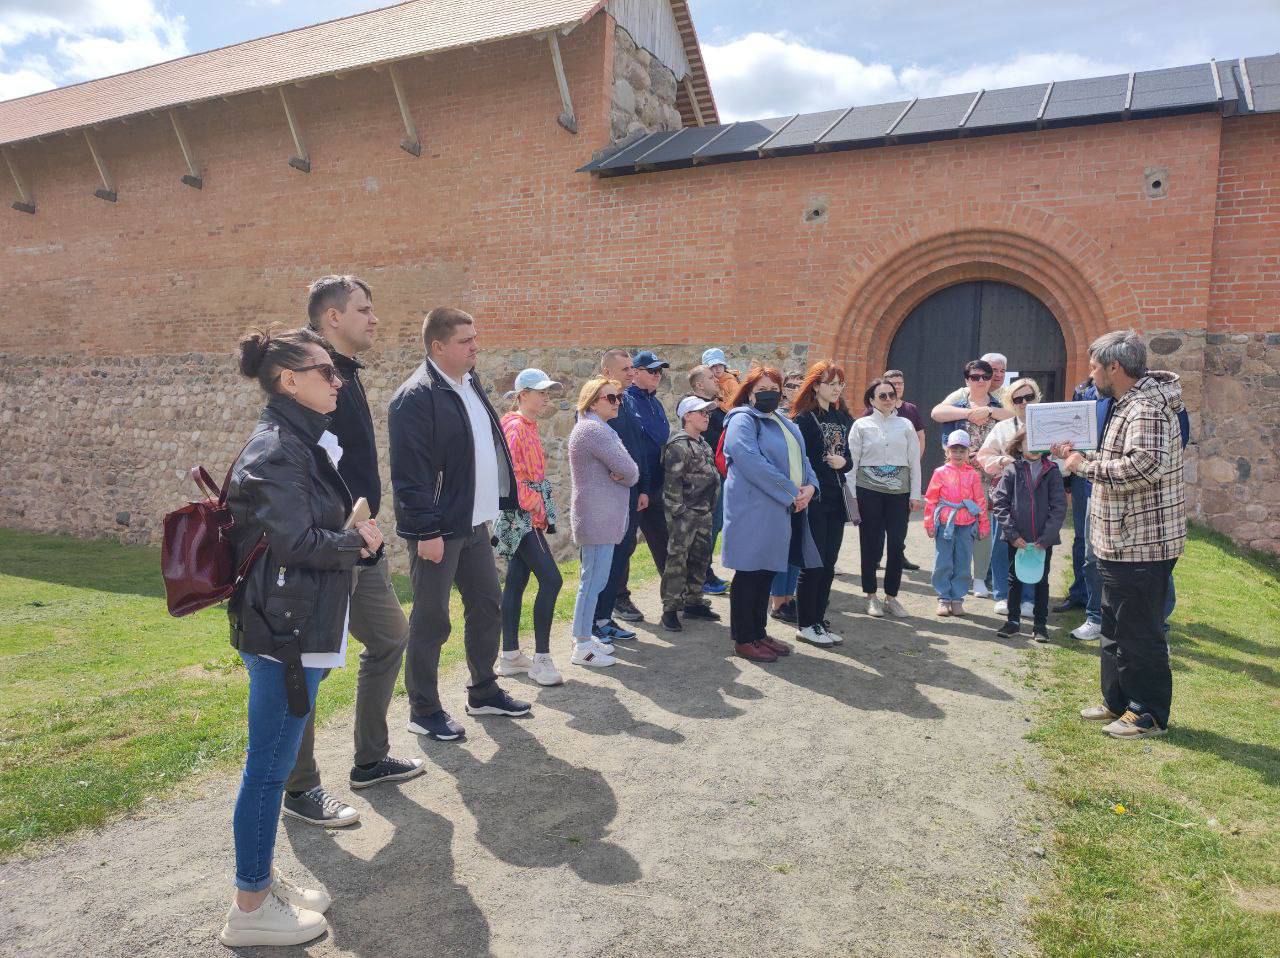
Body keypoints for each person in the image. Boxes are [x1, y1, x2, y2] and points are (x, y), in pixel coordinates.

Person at [221, 325, 385, 947]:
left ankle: (258, 880)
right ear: (290, 380)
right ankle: (249, 907)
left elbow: (304, 534)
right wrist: (357, 541)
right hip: (283, 630)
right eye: (326, 372)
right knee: (267, 770)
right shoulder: (279, 448)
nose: (339, 380)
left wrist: (351, 543)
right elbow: (295, 544)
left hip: (298, 619)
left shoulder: (299, 440)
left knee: (276, 761)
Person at [276, 277, 424, 832]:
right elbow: (305, 465)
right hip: (328, 547)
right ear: (332, 318)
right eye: (365, 309)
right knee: (309, 666)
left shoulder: (347, 375)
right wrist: (340, 532)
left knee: (390, 636)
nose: (375, 318)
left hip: (364, 541)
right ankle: (301, 786)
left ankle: (369, 759)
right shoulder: (308, 382)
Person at [389, 307, 531, 744]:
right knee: (431, 621)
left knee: (486, 605)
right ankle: (424, 709)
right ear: (438, 346)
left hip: (474, 523)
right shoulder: (415, 397)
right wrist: (425, 533)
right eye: (466, 340)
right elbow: (410, 476)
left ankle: (483, 691)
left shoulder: (470, 382)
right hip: (439, 530)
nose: (475, 345)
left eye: (475, 338)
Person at [1057, 330, 1186, 740]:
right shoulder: (1125, 403)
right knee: (1114, 626)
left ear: (1115, 367)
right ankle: (1118, 701)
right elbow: (1120, 458)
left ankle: (1147, 713)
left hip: (1142, 542)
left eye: (1095, 364)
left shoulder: (1145, 407)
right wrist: (1081, 455)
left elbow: (1144, 467)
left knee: (1139, 631)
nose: (1090, 372)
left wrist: (1082, 467)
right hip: (1120, 539)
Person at [721, 366, 819, 662]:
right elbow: (749, 459)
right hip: (753, 508)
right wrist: (791, 491)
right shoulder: (742, 420)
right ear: (749, 392)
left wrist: (810, 487)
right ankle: (743, 638)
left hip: (779, 508)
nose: (770, 394)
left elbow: (803, 459)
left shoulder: (784, 421)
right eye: (763, 389)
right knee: (749, 573)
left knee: (766, 572)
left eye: (775, 389)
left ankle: (759, 632)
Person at [494, 368, 565, 687]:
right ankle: (541, 660)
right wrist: (532, 502)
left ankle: (509, 656)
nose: (546, 395)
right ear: (522, 395)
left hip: (526, 514)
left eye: (547, 390)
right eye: (540, 391)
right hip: (519, 515)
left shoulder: (526, 425)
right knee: (551, 579)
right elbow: (508, 472)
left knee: (517, 580)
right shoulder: (514, 427)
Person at [567, 377, 640, 667]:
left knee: (594, 580)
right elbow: (630, 470)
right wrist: (627, 475)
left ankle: (583, 636)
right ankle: (582, 645)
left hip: (601, 517)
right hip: (597, 518)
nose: (617, 402)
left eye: (618, 397)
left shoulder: (597, 428)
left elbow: (628, 471)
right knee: (592, 581)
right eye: (611, 398)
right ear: (593, 401)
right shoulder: (593, 431)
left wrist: (627, 475)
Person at [931, 359, 1012, 597]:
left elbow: (1015, 417)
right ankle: (957, 576)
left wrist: (988, 411)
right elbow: (936, 413)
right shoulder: (958, 401)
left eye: (985, 377)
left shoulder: (999, 404)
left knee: (983, 527)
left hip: (989, 476)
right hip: (959, 477)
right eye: (975, 377)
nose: (980, 381)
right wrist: (969, 412)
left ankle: (979, 579)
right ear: (967, 380)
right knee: (956, 527)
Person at [790, 360, 854, 646]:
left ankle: (818, 619)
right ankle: (806, 622)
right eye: (831, 383)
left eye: (840, 384)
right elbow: (798, 460)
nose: (836, 389)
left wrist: (844, 462)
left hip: (837, 498)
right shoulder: (804, 419)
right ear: (816, 385)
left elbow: (849, 457)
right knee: (813, 564)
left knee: (829, 563)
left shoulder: (843, 419)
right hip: (815, 498)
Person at [851, 378, 922, 616]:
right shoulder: (861, 425)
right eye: (882, 396)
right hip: (868, 492)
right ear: (871, 400)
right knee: (871, 543)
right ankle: (871, 595)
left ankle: (891, 596)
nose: (889, 399)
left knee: (896, 544)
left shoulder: (905, 425)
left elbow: (914, 462)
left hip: (898, 493)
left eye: (891, 395)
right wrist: (852, 498)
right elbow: (852, 464)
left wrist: (915, 494)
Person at [593, 349, 651, 633]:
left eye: (632, 368)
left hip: (631, 491)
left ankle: (605, 617)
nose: (632, 372)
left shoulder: (627, 402)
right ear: (606, 373)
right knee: (605, 559)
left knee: (622, 553)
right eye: (625, 368)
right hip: (611, 493)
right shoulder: (597, 405)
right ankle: (597, 620)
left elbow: (639, 447)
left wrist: (643, 488)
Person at [975, 377, 1043, 620]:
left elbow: (1060, 461)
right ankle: (1003, 594)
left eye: (1028, 397)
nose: (1024, 402)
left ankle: (1028, 598)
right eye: (1018, 399)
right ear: (1011, 402)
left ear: (1036, 398)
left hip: (1038, 497)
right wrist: (1002, 461)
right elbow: (984, 457)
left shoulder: (1047, 425)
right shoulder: (1003, 428)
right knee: (1002, 545)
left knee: (1032, 547)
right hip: (1008, 495)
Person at [992, 427, 1066, 642]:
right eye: (1028, 442)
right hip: (1017, 539)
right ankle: (1013, 621)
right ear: (1019, 446)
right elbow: (1000, 504)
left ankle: (1040, 624)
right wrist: (1013, 535)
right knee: (1014, 579)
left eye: (1038, 442)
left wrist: (1046, 539)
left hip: (1043, 541)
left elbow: (1059, 507)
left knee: (1041, 581)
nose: (1033, 447)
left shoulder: (1052, 471)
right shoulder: (1011, 470)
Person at [659, 396, 723, 631]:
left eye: (707, 413)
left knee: (700, 559)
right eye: (701, 413)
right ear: (687, 416)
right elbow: (672, 484)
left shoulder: (702, 443)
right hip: (685, 515)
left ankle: (693, 602)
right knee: (678, 561)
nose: (707, 416)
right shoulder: (678, 445)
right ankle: (670, 609)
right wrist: (679, 512)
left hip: (704, 512)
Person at [923, 430, 989, 616]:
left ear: (969, 452)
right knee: (943, 560)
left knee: (963, 560)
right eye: (954, 450)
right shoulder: (940, 473)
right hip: (945, 523)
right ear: (947, 452)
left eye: (962, 450)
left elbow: (980, 501)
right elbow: (931, 499)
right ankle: (944, 597)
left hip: (967, 522)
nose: (958, 454)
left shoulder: (973, 475)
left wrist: (983, 524)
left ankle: (958, 597)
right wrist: (929, 523)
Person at [866, 369, 926, 572]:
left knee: (900, 522)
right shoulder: (871, 410)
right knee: (877, 522)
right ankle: (874, 558)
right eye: (893, 383)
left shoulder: (911, 410)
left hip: (902, 475)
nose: (896, 387)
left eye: (900, 383)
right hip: (877, 479)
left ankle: (898, 556)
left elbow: (921, 437)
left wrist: (912, 464)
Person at [624, 350, 672, 598]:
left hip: (656, 485)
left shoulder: (656, 403)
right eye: (652, 371)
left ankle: (674, 596)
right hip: (633, 485)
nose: (657, 376)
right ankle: (619, 598)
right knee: (626, 544)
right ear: (635, 373)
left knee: (663, 541)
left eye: (659, 371)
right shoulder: (626, 400)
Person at [688, 364, 730, 595]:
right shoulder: (693, 407)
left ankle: (705, 570)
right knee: (707, 526)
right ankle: (700, 574)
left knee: (716, 524)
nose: (717, 379)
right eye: (710, 377)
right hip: (704, 476)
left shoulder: (716, 407)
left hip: (719, 474)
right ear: (699, 385)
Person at [769, 369, 806, 623]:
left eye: (800, 386)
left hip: (803, 490)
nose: (794, 390)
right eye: (791, 385)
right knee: (779, 547)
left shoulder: (805, 417)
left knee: (796, 548)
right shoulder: (774, 417)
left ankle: (789, 597)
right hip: (781, 491)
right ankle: (777, 600)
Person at [702, 347, 742, 412]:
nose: (718, 368)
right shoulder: (705, 383)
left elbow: (736, 406)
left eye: (720, 364)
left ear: (724, 366)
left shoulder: (731, 382)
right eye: (713, 366)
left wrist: (719, 404)